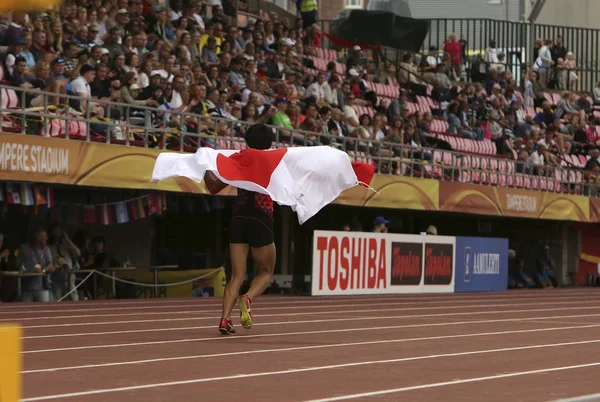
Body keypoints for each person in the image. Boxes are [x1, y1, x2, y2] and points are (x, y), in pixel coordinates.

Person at [204, 123, 276, 335]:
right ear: (270, 142)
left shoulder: (239, 158)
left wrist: (206, 163)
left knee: (237, 275)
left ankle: (225, 319)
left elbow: (213, 187)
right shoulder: (276, 159)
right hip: (261, 217)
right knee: (265, 271)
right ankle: (247, 298)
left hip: (239, 216)